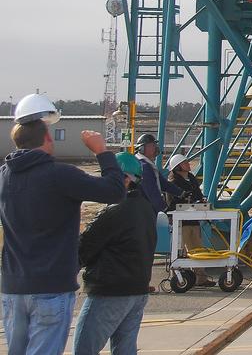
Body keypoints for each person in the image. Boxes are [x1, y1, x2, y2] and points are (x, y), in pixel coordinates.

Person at [0, 94, 126, 355]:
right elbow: (114, 191)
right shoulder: (60, 175)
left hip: (13, 287)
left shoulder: (4, 176)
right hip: (51, 286)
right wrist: (102, 152)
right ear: (47, 138)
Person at [72, 152, 157, 355]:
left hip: (110, 291)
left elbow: (85, 246)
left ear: (126, 179)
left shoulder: (117, 211)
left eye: (110, 177)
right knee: (125, 349)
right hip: (137, 290)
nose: (105, 183)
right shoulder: (145, 208)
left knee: (84, 348)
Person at [165, 152, 213, 286]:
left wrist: (201, 201)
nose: (188, 164)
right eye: (185, 163)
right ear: (178, 167)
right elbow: (171, 203)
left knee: (197, 248)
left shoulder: (191, 179)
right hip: (181, 221)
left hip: (193, 219)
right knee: (180, 249)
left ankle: (200, 277)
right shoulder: (173, 182)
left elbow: (198, 194)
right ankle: (180, 277)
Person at [134, 133, 179, 214]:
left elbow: (163, 183)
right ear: (142, 149)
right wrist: (164, 209)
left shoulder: (147, 164)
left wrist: (181, 192)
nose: (156, 148)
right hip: (146, 210)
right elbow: (152, 192)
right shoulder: (144, 167)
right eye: (153, 146)